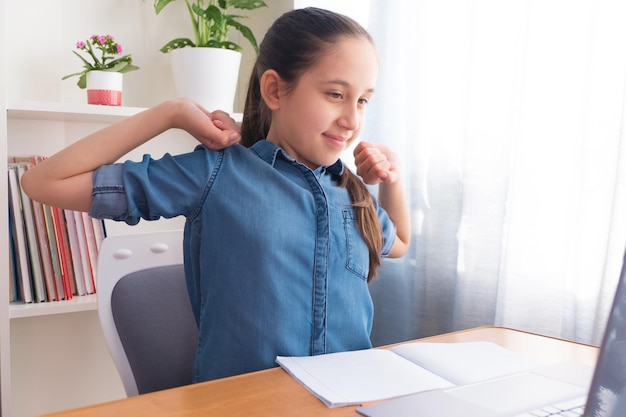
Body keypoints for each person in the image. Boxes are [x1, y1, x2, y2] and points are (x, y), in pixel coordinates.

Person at [22, 7, 411, 383]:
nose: (352, 120)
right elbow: (43, 182)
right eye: (335, 94)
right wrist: (170, 113)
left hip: (348, 397)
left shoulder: (350, 190)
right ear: (274, 90)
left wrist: (392, 177)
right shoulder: (217, 173)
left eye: (362, 100)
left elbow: (400, 243)